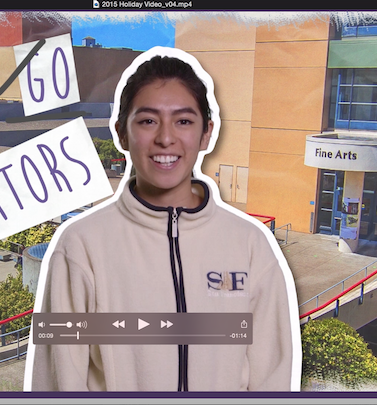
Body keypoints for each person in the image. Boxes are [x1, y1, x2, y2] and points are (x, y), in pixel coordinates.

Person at [26, 47, 301, 392]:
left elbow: (272, 377)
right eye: (148, 121)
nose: (166, 138)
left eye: (183, 121)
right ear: (122, 133)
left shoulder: (250, 245)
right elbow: (56, 383)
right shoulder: (80, 246)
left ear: (206, 133)